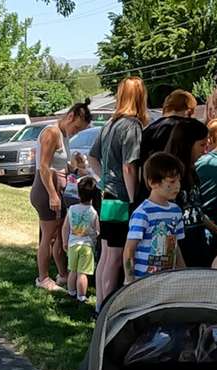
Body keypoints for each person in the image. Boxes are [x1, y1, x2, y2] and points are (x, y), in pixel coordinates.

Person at [89, 77, 150, 307]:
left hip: (107, 197)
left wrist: (103, 180)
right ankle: (106, 309)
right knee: (116, 257)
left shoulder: (108, 125)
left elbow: (92, 157)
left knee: (106, 254)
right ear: (140, 97)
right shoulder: (132, 126)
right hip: (122, 198)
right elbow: (129, 166)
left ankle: (99, 306)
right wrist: (134, 200)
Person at [31, 99, 94, 291]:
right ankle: (42, 278)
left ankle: (62, 275)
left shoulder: (64, 136)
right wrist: (52, 194)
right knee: (49, 235)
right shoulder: (51, 133)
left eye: (79, 130)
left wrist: (77, 167)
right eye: (76, 127)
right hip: (45, 190)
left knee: (60, 234)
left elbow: (62, 166)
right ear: (70, 116)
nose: (75, 132)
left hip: (58, 189)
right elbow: (44, 166)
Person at [166, 118, 217, 267]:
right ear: (186, 144)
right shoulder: (170, 175)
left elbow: (197, 212)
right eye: (201, 145)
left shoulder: (192, 172)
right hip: (181, 249)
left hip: (197, 243)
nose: (205, 150)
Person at [125, 152, 186, 283]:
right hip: (143, 281)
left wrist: (183, 273)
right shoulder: (143, 213)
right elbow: (129, 249)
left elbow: (176, 245)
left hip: (168, 280)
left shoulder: (176, 211)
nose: (178, 186)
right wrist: (129, 280)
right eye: (172, 181)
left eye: (179, 180)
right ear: (153, 182)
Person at [138, 89, 199, 203]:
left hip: (150, 190)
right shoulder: (184, 130)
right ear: (188, 111)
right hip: (176, 190)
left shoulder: (148, 131)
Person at [62, 176, 101, 301]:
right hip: (87, 246)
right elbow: (98, 230)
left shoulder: (72, 209)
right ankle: (82, 296)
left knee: (72, 271)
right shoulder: (93, 212)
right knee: (82, 273)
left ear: (78, 194)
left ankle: (71, 292)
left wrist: (65, 241)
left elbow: (65, 228)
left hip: (73, 244)